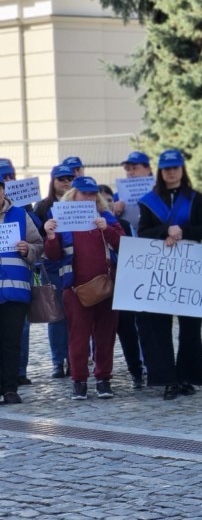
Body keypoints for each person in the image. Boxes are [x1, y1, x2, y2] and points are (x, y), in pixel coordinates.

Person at [137, 149, 202, 399]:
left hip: (190, 271)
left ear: (182, 170)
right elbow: (143, 232)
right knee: (159, 326)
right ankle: (167, 379)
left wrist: (183, 231)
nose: (171, 172)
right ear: (160, 171)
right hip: (160, 271)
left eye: (175, 167)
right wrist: (165, 231)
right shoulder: (149, 200)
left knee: (190, 326)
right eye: (167, 168)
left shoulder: (195, 198)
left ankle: (187, 377)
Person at [44, 176, 124, 400]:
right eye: (84, 193)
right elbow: (53, 256)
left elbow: (125, 244)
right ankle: (79, 381)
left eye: (92, 193)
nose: (88, 197)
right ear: (74, 194)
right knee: (78, 337)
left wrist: (107, 229)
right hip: (74, 288)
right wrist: (50, 236)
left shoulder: (106, 217)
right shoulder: (62, 217)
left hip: (106, 287)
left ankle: (103, 379)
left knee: (105, 336)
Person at [0, 174, 43, 404]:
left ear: (3, 191)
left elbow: (39, 246)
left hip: (15, 292)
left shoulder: (20, 214)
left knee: (11, 341)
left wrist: (28, 249)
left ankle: (9, 389)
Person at [99, 184, 145, 389]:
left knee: (127, 330)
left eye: (110, 199)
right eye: (103, 200)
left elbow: (131, 250)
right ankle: (100, 375)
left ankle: (136, 371)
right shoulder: (86, 225)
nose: (108, 203)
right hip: (97, 284)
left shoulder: (123, 224)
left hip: (121, 283)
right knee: (101, 332)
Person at [33, 164, 75, 378]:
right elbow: (34, 235)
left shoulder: (81, 204)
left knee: (77, 317)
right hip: (51, 269)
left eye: (69, 178)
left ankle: (74, 360)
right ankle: (58, 361)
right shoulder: (41, 207)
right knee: (56, 316)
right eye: (61, 179)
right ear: (53, 182)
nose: (66, 182)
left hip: (76, 267)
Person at [112, 151, 153, 233]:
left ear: (148, 169)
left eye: (135, 168)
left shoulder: (159, 193)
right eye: (127, 169)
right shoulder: (117, 197)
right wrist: (115, 212)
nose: (130, 173)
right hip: (129, 241)